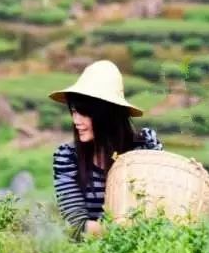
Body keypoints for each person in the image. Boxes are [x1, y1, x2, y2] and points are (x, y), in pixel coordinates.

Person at [49, 60, 161, 236]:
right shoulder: (68, 157)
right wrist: (130, 231)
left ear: (108, 114)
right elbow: (77, 226)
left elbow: (162, 204)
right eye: (73, 111)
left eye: (84, 112)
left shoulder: (145, 147)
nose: (76, 120)